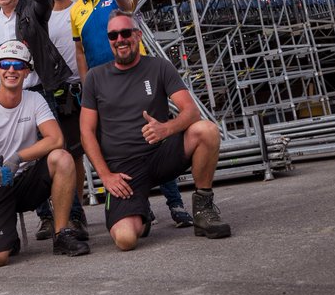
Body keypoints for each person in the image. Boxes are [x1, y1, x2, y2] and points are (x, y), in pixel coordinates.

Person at [80, 13, 232, 251]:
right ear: (109, 40)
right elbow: (86, 132)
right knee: (126, 239)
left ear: (138, 35)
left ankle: (204, 209)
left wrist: (166, 129)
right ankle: (142, 215)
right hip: (124, 170)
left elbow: (191, 112)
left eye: (126, 33)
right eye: (113, 35)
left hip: (161, 154)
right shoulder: (95, 77)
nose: (120, 39)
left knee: (207, 131)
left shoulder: (159, 67)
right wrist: (106, 176)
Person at [69, 0, 193, 228]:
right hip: (103, 84)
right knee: (117, 147)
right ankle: (140, 205)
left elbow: (129, 6)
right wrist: (86, 82)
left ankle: (175, 203)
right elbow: (79, 50)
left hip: (135, 75)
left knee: (154, 137)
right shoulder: (76, 9)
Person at [0, 41, 90, 265]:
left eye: (18, 65)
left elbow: (56, 139)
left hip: (24, 181)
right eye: (5, 64)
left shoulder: (35, 99)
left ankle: (61, 234)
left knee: (62, 157)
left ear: (27, 71)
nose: (11, 70)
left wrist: (18, 157)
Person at [33, 0, 90, 241]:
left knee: (102, 145)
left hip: (88, 86)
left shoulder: (81, 7)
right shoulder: (42, 16)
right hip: (62, 92)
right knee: (71, 153)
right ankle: (75, 211)